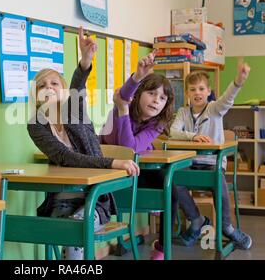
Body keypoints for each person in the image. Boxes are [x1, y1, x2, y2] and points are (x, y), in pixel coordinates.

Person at [27, 27, 139, 260]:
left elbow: (78, 85)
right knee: (60, 231)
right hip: (62, 198)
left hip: (94, 198)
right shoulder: (35, 125)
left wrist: (85, 60)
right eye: (42, 85)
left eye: (54, 83)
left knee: (78, 229)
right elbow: (64, 157)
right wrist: (112, 162)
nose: (48, 88)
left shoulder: (74, 109)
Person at [100, 52, 176, 260]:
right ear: (139, 93)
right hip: (109, 171)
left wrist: (123, 106)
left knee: (172, 189)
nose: (156, 101)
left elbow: (131, 151)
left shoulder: (158, 123)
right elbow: (127, 148)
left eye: (162, 98)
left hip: (134, 170)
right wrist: (136, 78)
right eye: (152, 93)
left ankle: (161, 247)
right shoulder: (118, 111)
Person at [169, 59, 253, 250]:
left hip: (212, 163)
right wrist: (193, 137)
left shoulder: (215, 109)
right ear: (187, 94)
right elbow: (173, 132)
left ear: (208, 92)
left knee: (218, 180)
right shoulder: (183, 112)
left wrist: (238, 81)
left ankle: (227, 227)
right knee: (174, 179)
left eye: (201, 89)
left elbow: (228, 98)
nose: (197, 93)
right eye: (192, 89)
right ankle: (196, 220)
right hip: (190, 162)